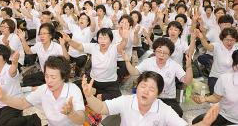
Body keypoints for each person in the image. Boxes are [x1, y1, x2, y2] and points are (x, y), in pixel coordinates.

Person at [82, 71, 219, 126]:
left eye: (152, 89)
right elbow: (101, 108)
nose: (146, 91)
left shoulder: (164, 110)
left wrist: (204, 124)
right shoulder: (126, 100)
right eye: (143, 86)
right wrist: (88, 96)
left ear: (158, 94)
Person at [0, 55, 85, 126]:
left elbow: (81, 120)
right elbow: (23, 103)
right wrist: (3, 98)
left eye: (53, 77)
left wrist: (71, 113)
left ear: (63, 77)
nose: (49, 81)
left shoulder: (73, 90)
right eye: (46, 76)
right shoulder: (43, 89)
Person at [123, 37, 193, 117]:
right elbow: (134, 72)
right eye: (159, 52)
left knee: (177, 113)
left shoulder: (174, 65)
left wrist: (189, 67)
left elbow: (187, 81)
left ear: (170, 54)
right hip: (149, 97)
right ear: (154, 51)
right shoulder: (148, 62)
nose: (161, 55)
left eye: (165, 53)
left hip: (168, 99)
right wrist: (127, 61)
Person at [64, 27, 128, 101]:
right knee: (76, 87)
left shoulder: (114, 48)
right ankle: (97, 93)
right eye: (100, 38)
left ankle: (95, 92)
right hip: (93, 80)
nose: (102, 41)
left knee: (117, 97)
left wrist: (125, 38)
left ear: (110, 40)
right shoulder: (94, 47)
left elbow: (122, 44)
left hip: (110, 82)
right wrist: (69, 40)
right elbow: (79, 46)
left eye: (105, 38)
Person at [191, 50, 238, 125]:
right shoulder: (225, 79)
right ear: (235, 66)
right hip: (225, 116)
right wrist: (204, 99)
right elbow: (216, 97)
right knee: (197, 122)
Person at [196, 27, 238, 94]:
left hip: (231, 79)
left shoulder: (236, 48)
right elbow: (207, 46)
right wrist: (202, 38)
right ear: (222, 39)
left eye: (232, 40)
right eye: (227, 40)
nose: (229, 42)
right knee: (216, 99)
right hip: (216, 78)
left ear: (235, 40)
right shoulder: (217, 46)